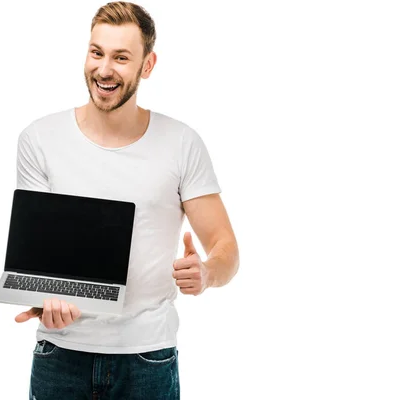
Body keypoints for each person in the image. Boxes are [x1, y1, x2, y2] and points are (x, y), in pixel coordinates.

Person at [13, 2, 239, 399]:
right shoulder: (39, 139)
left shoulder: (182, 143)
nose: (104, 69)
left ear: (147, 65)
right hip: (59, 355)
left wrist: (206, 273)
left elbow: (226, 249)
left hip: (147, 359)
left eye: (121, 57)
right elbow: (35, 257)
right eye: (96, 52)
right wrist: (40, 298)